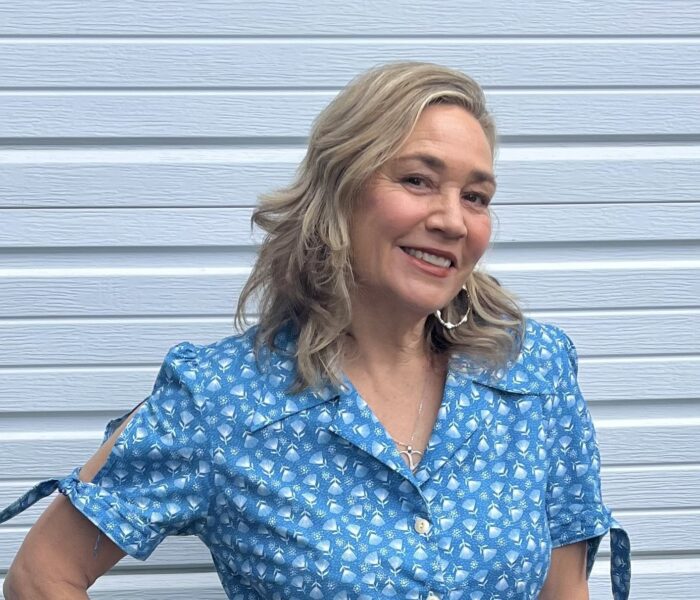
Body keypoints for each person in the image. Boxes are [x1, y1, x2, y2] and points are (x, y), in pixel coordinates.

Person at [2, 61, 630, 599]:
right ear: (340, 189)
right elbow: (41, 576)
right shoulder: (220, 398)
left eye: (476, 196)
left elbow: (564, 590)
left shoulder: (533, 373)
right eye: (417, 180)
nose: (452, 220)